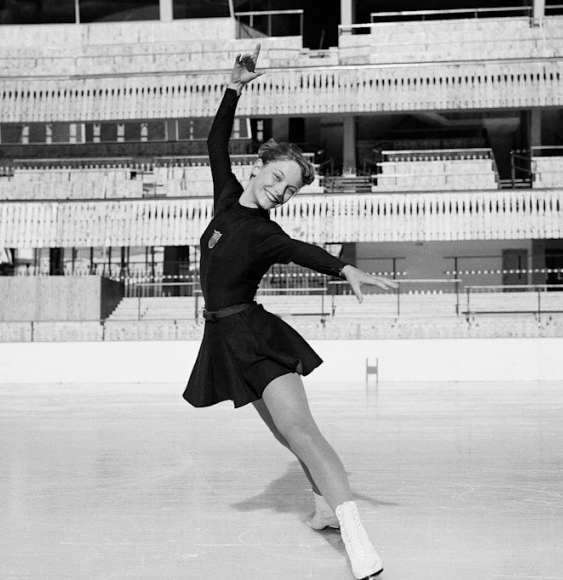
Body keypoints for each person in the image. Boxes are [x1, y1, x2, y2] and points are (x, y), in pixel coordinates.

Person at [182, 45, 397, 580]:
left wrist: (344, 269)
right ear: (259, 170)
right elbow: (214, 142)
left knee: (300, 430)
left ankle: (356, 535)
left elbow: (305, 252)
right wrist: (235, 86)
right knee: (283, 434)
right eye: (277, 180)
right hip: (224, 338)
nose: (281, 192)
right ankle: (325, 505)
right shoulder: (227, 199)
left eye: (292, 190)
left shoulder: (267, 234)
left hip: (256, 335)